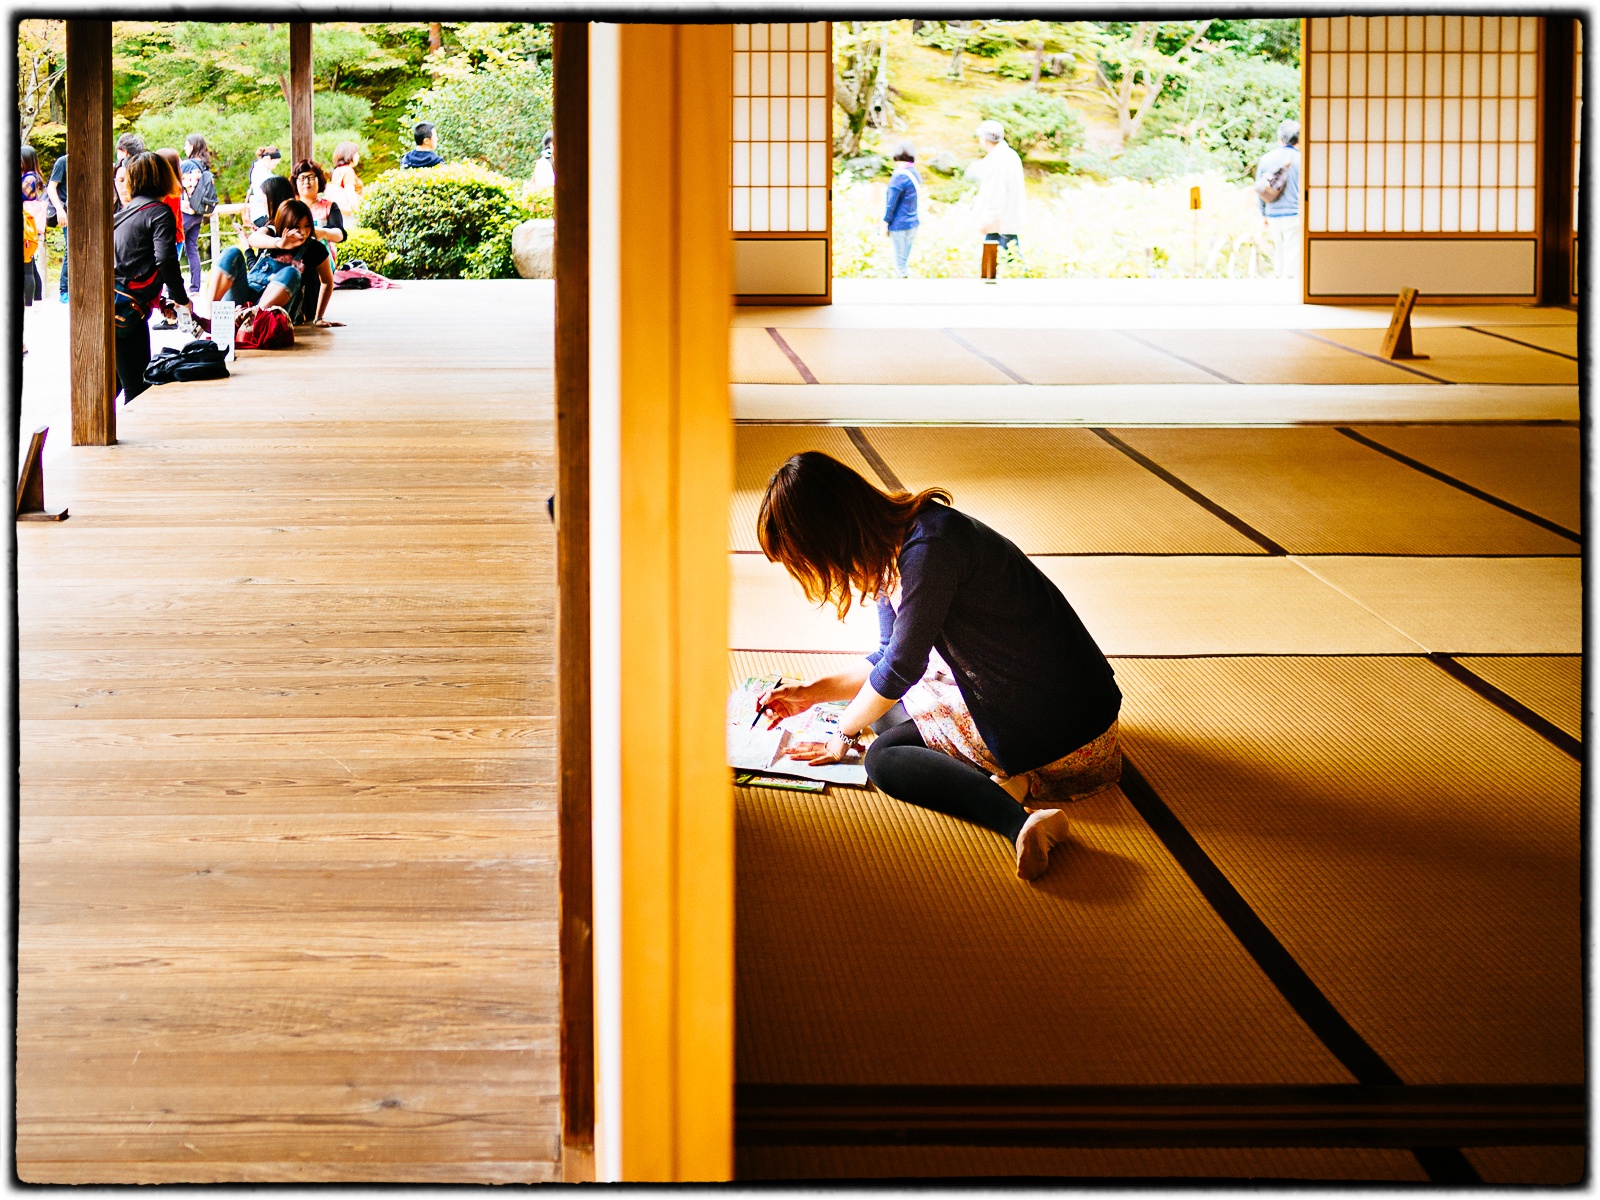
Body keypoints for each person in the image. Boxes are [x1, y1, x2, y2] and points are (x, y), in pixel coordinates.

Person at [753, 453, 1123, 881]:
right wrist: (808, 693)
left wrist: (843, 733)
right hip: (1038, 699)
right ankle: (1010, 776)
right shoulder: (898, 541)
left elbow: (899, 670)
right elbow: (887, 657)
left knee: (883, 757)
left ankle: (1019, 821)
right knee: (884, 710)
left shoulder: (930, 550)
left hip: (1062, 728)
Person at [112, 152, 191, 403]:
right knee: (137, 388)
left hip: (111, 305)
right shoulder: (160, 212)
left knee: (114, 384)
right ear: (164, 177)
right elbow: (165, 259)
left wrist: (162, 301)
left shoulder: (122, 214)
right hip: (128, 313)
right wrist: (181, 299)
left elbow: (131, 264)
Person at [209, 197, 341, 327]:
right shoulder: (272, 233)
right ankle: (211, 317)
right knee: (231, 252)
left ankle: (252, 321)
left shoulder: (315, 248)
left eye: (307, 226)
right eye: (296, 226)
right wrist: (279, 243)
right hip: (245, 295)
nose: (302, 232)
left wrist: (319, 317)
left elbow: (327, 282)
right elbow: (253, 239)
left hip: (272, 310)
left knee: (292, 272)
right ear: (285, 225)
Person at [966, 119, 1025, 281]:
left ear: (985, 139)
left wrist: (986, 221)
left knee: (1000, 267)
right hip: (1007, 221)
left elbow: (995, 195)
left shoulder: (998, 160)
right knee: (1010, 263)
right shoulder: (1010, 155)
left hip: (999, 224)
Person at [291, 159, 345, 322]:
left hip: (321, 260)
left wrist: (321, 233)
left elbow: (339, 234)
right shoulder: (291, 207)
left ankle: (313, 315)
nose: (306, 182)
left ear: (319, 181)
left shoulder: (329, 206)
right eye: (302, 178)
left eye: (311, 177)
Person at [1255, 119, 1301, 280]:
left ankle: (1278, 277)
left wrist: (1263, 214)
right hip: (1295, 213)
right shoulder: (1301, 159)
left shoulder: (1266, 159)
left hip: (1272, 212)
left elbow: (1259, 188)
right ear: (1299, 139)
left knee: (1278, 248)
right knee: (1292, 250)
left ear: (1279, 138)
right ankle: (1289, 281)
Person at [150, 148, 188, 330]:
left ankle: (173, 317)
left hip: (171, 237)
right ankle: (174, 316)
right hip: (177, 236)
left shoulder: (168, 191)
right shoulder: (176, 187)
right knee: (171, 276)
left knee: (169, 277)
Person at [180, 134, 218, 293]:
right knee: (192, 249)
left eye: (187, 144)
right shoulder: (204, 165)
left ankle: (171, 288)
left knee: (172, 249)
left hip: (185, 212)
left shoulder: (187, 165)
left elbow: (180, 186)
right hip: (198, 214)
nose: (184, 147)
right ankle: (195, 287)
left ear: (193, 146)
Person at [882, 142, 921, 278]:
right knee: (904, 262)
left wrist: (885, 222)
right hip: (913, 222)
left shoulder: (899, 176)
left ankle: (902, 288)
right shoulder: (914, 173)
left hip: (899, 224)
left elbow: (891, 203)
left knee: (900, 266)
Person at [21, 144, 46, 308]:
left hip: (27, 227)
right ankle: (37, 299)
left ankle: (28, 304)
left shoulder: (29, 178)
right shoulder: (31, 177)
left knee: (27, 267)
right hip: (29, 226)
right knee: (31, 265)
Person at [46, 150, 66, 302]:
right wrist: (59, 209)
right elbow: (51, 187)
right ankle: (64, 289)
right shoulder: (63, 162)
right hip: (66, 210)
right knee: (71, 248)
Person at [325, 142, 364, 219]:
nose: (358, 156)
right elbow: (350, 193)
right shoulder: (348, 170)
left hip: (339, 213)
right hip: (349, 213)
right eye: (356, 154)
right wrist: (359, 211)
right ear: (350, 154)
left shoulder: (337, 170)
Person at [248, 146, 283, 221]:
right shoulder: (261, 172)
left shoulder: (260, 170)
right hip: (262, 213)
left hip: (261, 212)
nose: (274, 167)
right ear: (268, 159)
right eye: (275, 164)